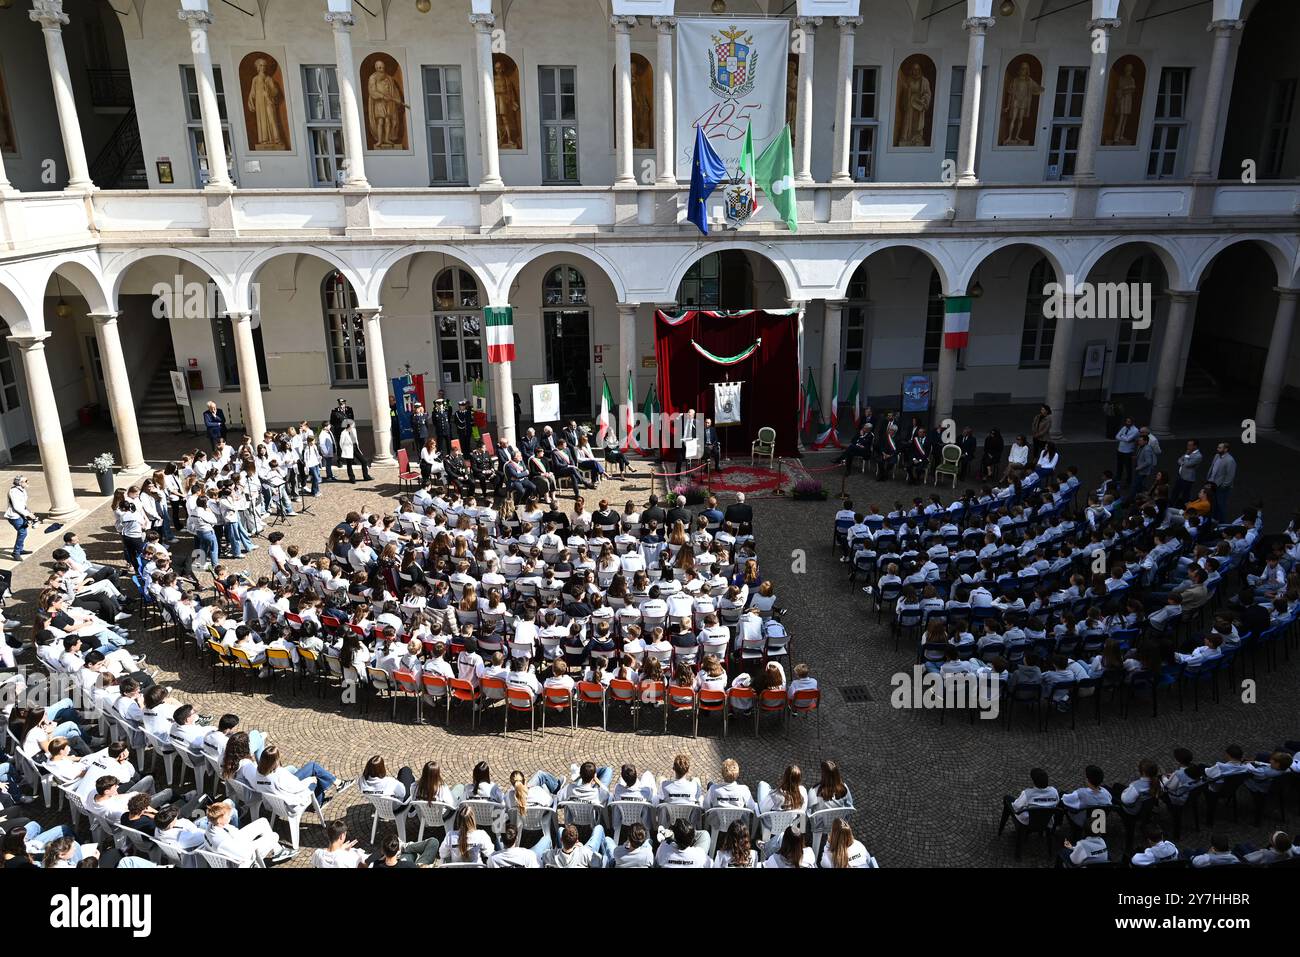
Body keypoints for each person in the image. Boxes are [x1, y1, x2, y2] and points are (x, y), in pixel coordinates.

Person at [5, 475, 36, 561]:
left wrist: (29, 512)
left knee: (23, 531)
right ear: (20, 482)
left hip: (20, 515)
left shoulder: (22, 490)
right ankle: (16, 552)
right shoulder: (14, 491)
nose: (28, 482)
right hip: (14, 516)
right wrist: (28, 514)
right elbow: (17, 507)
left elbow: (23, 504)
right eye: (26, 481)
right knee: (22, 532)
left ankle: (20, 550)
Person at [1207, 442, 1236, 523]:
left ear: (1226, 449)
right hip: (1213, 484)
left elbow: (1230, 476)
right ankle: (1215, 519)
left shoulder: (1230, 460)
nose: (1217, 449)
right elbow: (1212, 467)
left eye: (1220, 448)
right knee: (1215, 503)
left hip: (1221, 487)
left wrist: (1223, 486)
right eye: (1218, 447)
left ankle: (1223, 523)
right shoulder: (1216, 456)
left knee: (1221, 505)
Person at [1114, 417, 1139, 485]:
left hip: (1128, 451)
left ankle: (1128, 481)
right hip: (1120, 449)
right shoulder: (1124, 428)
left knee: (1128, 467)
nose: (1127, 423)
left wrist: (1122, 436)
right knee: (1119, 465)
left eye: (1129, 422)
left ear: (1132, 422)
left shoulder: (1135, 430)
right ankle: (1118, 478)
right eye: (1126, 421)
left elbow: (1128, 439)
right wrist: (1125, 438)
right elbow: (1116, 436)